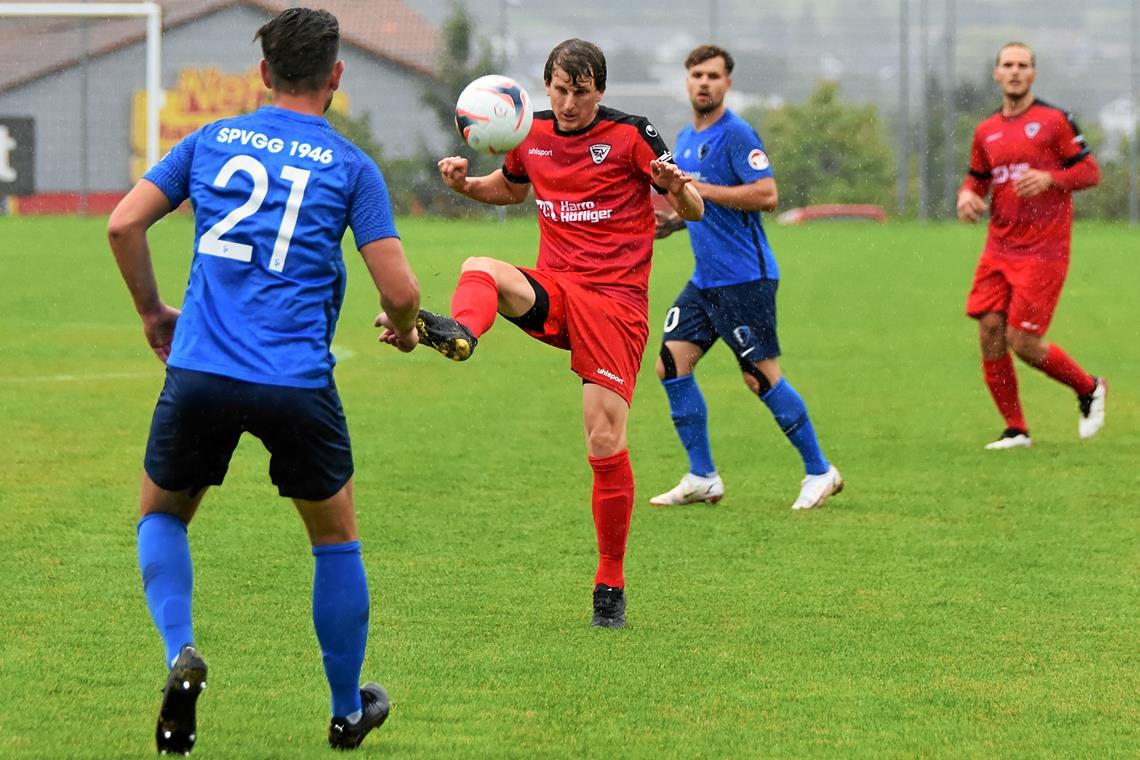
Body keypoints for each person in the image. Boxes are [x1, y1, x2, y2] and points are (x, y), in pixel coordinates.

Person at [107, 8, 420, 753]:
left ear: (263, 74)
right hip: (295, 382)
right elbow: (401, 292)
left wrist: (154, 312)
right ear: (335, 78)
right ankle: (347, 710)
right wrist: (406, 329)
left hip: (201, 369)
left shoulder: (210, 140)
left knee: (162, 514)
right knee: (334, 537)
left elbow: (123, 224)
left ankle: (180, 650)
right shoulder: (350, 166)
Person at [379, 38, 702, 629]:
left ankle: (610, 584)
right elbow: (514, 184)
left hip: (615, 305)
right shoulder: (530, 132)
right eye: (560, 89)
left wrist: (675, 186)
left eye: (581, 92)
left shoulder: (632, 135)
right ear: (546, 85)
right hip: (555, 286)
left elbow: (697, 210)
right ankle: (461, 333)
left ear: (599, 90)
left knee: (604, 442)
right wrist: (467, 186)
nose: (570, 101)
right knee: (480, 266)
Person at [650, 45, 842, 511]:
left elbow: (767, 194)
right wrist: (673, 222)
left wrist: (695, 187)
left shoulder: (736, 134)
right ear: (686, 81)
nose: (704, 83)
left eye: (713, 76)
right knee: (672, 364)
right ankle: (703, 477)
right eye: (697, 74)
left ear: (727, 84)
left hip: (745, 278)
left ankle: (820, 471)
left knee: (760, 377)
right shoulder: (684, 137)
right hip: (706, 280)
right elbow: (697, 206)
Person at [957, 42, 1105, 450]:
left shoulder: (1054, 121)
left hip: (1045, 250)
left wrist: (1051, 179)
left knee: (1021, 341)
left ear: (1034, 74)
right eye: (1008, 64)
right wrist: (966, 197)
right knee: (989, 331)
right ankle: (1016, 429)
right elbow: (977, 179)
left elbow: (1091, 173)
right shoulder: (986, 130)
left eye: (1023, 65)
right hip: (999, 248)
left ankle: (1089, 387)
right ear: (996, 74)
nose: (1015, 71)